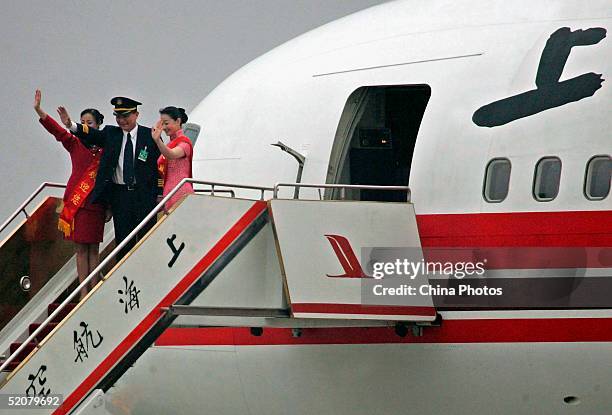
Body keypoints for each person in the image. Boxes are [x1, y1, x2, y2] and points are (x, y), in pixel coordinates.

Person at [57, 97, 161, 260]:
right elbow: (92, 134)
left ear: (136, 115)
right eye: (118, 117)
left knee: (147, 239)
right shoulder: (111, 134)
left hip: (144, 196)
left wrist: (159, 193)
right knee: (123, 242)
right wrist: (71, 125)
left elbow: (159, 167)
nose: (122, 120)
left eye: (125, 116)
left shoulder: (150, 136)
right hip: (120, 196)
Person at [33, 90, 105, 300]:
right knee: (81, 249)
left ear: (98, 125)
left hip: (96, 203)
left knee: (94, 248)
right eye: (81, 121)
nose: (84, 125)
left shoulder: (106, 147)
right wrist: (40, 111)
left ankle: (95, 288)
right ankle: (83, 291)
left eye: (89, 122)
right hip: (77, 203)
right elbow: (58, 131)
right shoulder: (75, 143)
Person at [151, 106, 194, 210]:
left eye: (166, 123)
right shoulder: (170, 143)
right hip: (169, 192)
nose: (164, 127)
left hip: (181, 191)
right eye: (162, 124)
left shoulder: (184, 142)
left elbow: (171, 154)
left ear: (178, 121)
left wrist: (158, 141)